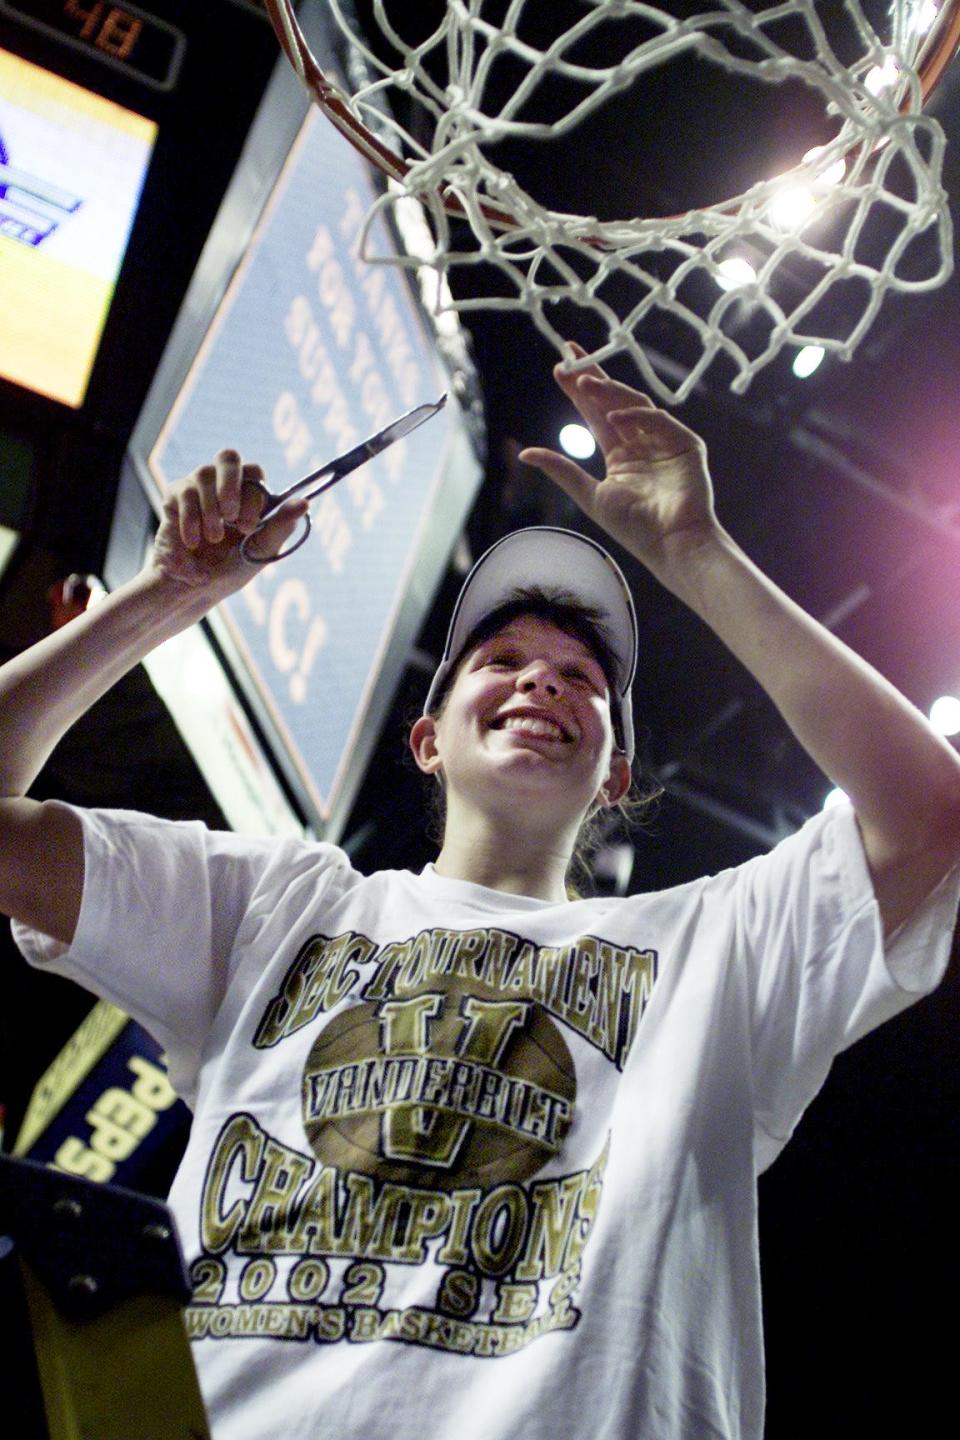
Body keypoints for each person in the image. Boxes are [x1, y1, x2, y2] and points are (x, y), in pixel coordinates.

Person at [1, 351, 958, 1440]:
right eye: (498, 659)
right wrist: (163, 598)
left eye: (585, 678)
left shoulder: (718, 948)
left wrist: (698, 551)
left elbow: (929, 815)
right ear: (428, 738)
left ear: (617, 776)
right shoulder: (276, 906)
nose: (543, 678)